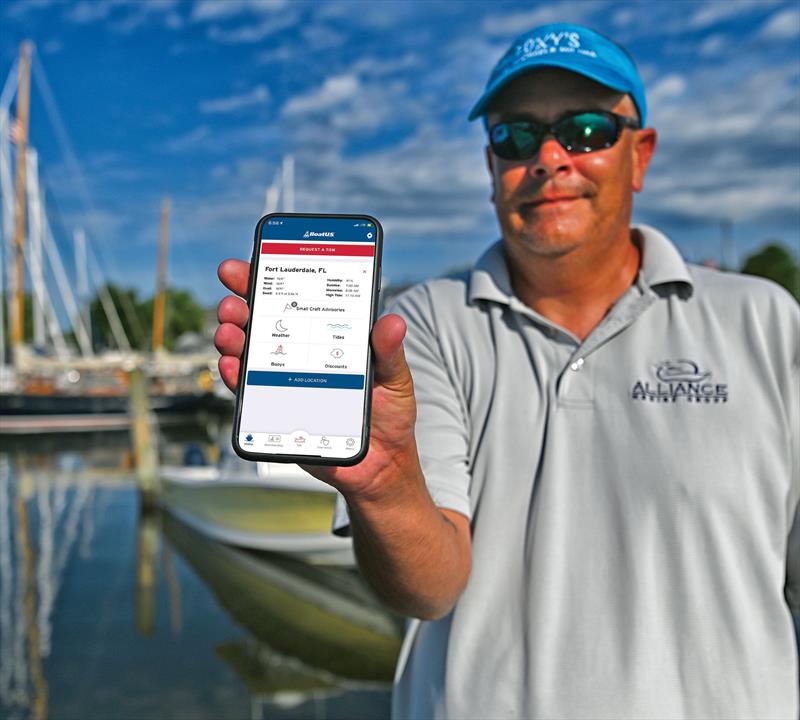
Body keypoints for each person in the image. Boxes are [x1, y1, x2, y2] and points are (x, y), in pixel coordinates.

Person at [215, 22, 800, 720]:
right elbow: (430, 587)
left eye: (586, 131)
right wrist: (385, 484)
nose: (550, 158)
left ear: (639, 155)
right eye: (516, 136)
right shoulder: (424, 323)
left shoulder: (769, 321)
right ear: (491, 166)